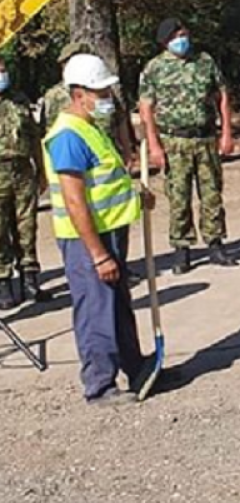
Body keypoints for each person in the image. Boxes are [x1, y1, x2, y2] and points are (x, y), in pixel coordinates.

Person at [43, 54, 155, 405]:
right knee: (96, 308)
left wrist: (137, 200)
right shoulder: (67, 135)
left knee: (118, 305)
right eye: (101, 91)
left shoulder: (91, 128)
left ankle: (137, 370)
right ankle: (100, 384)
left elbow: (104, 184)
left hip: (109, 232)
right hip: (86, 240)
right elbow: (75, 200)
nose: (107, 98)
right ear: (79, 94)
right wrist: (97, 253)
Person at [139, 19, 237, 275]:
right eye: (175, 36)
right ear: (164, 41)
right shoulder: (154, 69)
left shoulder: (204, 61)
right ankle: (182, 249)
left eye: (184, 34)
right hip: (174, 141)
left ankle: (215, 243)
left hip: (205, 138)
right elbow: (146, 108)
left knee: (212, 193)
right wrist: (154, 146)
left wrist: (226, 132)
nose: (181, 40)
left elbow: (222, 97)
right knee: (178, 196)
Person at [0, 59, 48, 308]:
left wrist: (41, 170)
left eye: (3, 68)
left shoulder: (19, 99)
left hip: (22, 171)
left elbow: (34, 137)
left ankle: (30, 279)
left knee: (27, 228)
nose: (2, 74)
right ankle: (3, 282)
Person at [41, 41, 136, 165]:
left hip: (107, 150)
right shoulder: (53, 96)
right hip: (75, 156)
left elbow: (120, 119)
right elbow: (47, 131)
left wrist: (127, 151)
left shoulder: (103, 90)